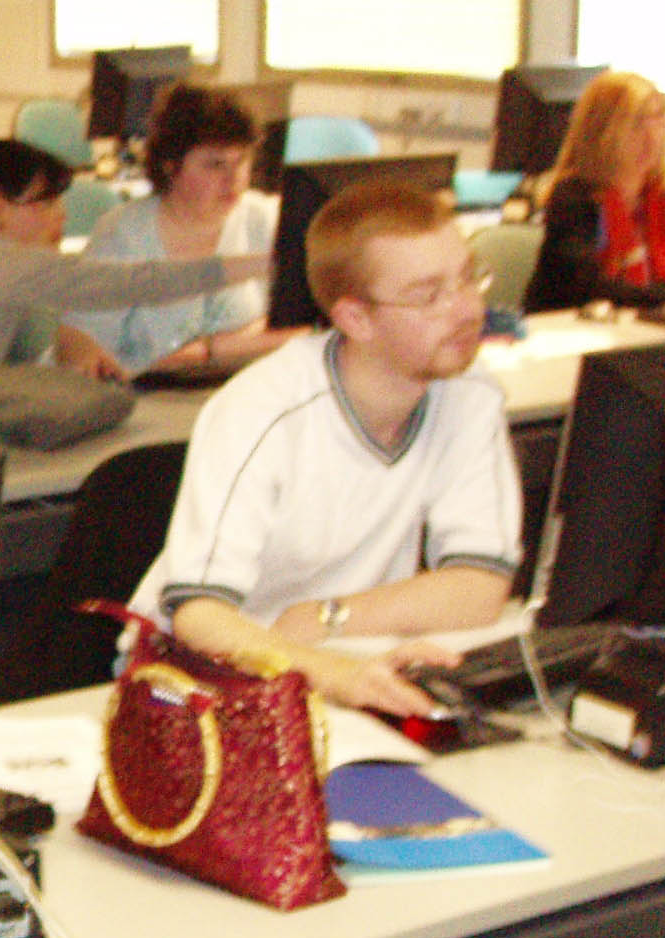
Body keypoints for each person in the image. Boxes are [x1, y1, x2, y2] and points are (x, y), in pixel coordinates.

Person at [129, 180, 522, 717]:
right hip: (193, 684)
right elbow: (198, 616)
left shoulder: (469, 394)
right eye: (429, 295)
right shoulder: (263, 411)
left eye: (468, 278)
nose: (468, 309)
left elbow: (480, 587)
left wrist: (326, 620)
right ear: (355, 319)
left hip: (343, 662)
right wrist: (330, 669)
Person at [0, 139, 269, 379]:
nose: (61, 214)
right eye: (45, 203)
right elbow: (138, 284)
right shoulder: (3, 264)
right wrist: (263, 263)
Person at [65, 85, 298, 374]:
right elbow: (80, 339)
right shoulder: (124, 234)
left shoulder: (267, 219)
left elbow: (303, 327)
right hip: (139, 390)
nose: (233, 178)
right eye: (215, 165)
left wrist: (214, 349)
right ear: (170, 166)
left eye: (241, 162)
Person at [523, 70, 665, 317]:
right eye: (636, 123)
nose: (651, 137)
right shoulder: (574, 196)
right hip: (577, 328)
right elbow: (588, 285)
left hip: (663, 325)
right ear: (602, 131)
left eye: (658, 119)